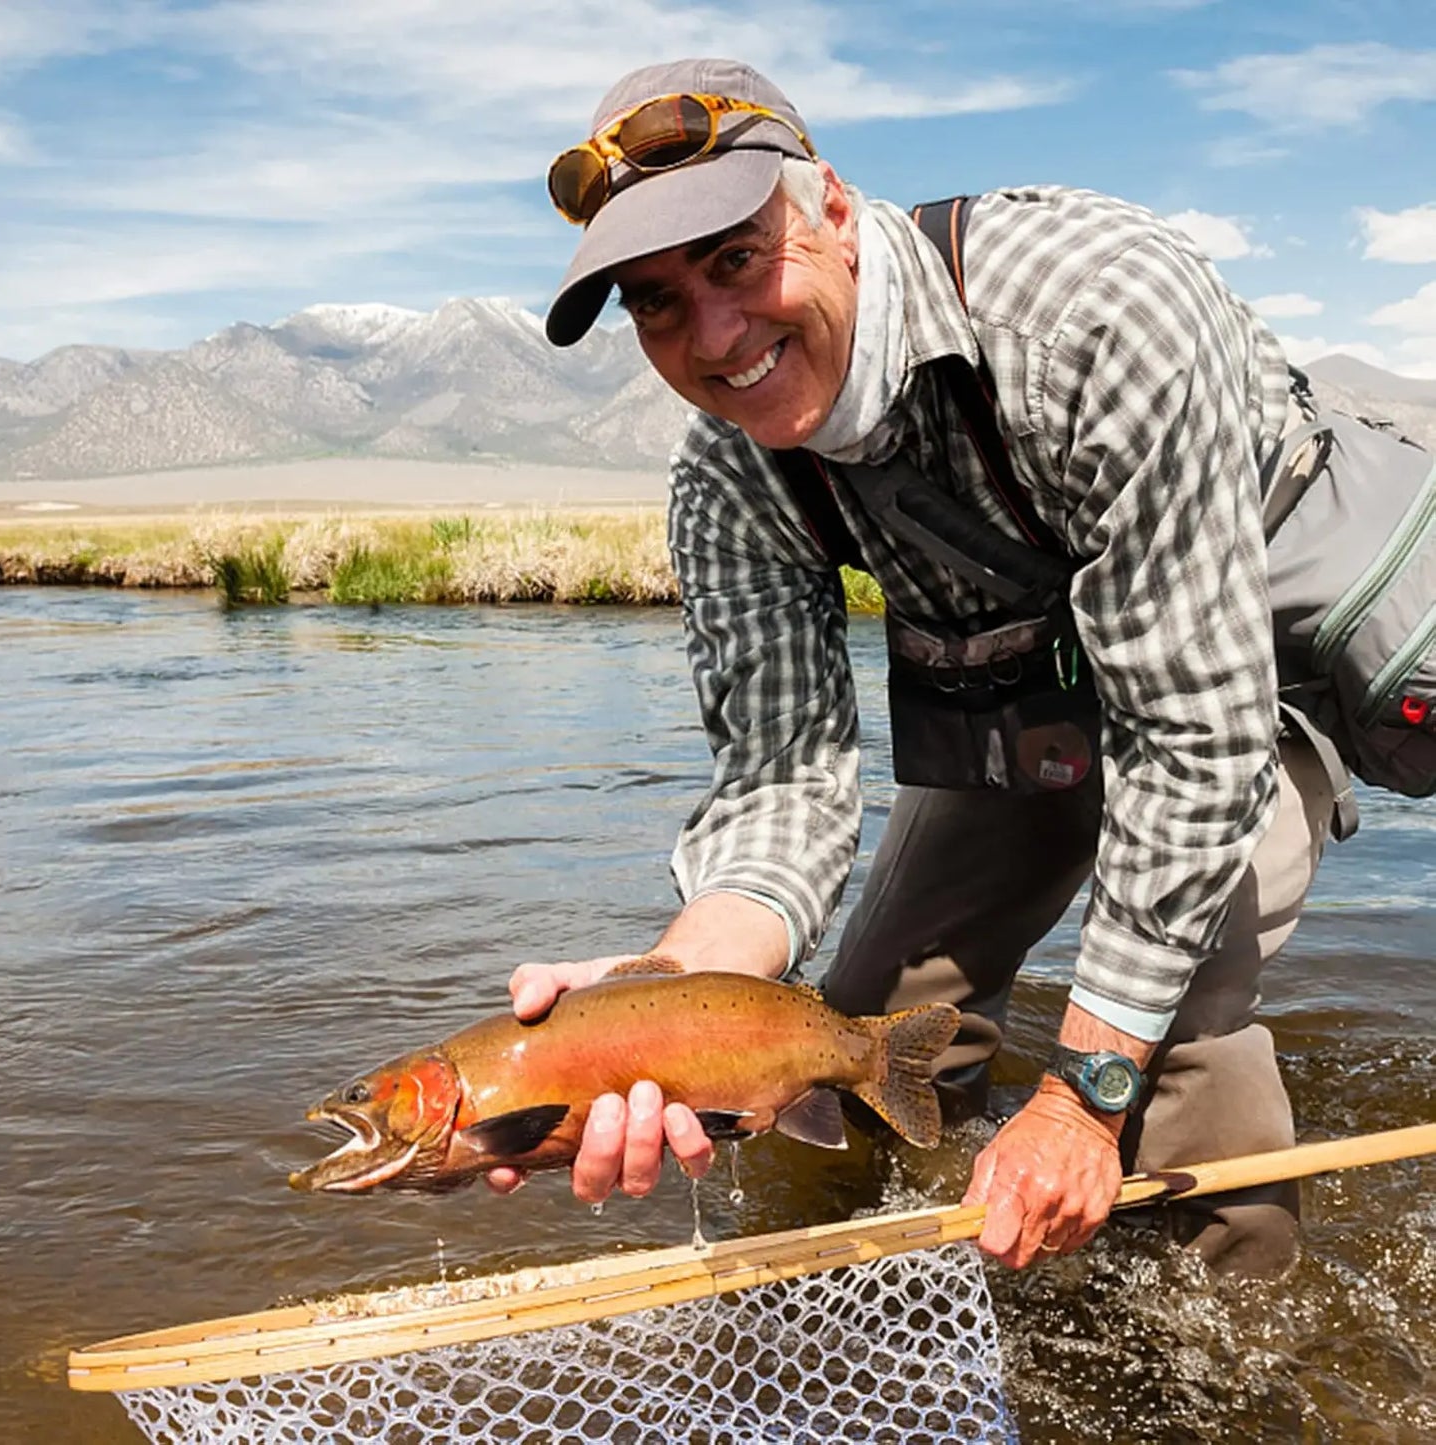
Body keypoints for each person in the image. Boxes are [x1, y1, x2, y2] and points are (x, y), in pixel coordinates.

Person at [490, 56, 1339, 1276]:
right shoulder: (726, 478)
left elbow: (1193, 743)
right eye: (655, 301)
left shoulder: (1098, 310)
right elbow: (778, 783)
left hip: (1242, 668)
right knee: (860, 1017)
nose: (713, 335)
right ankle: (841, 1285)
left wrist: (1079, 1098)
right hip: (1040, 687)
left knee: (1178, 1019)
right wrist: (676, 996)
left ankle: (1240, 1349)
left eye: (734, 257)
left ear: (831, 205)